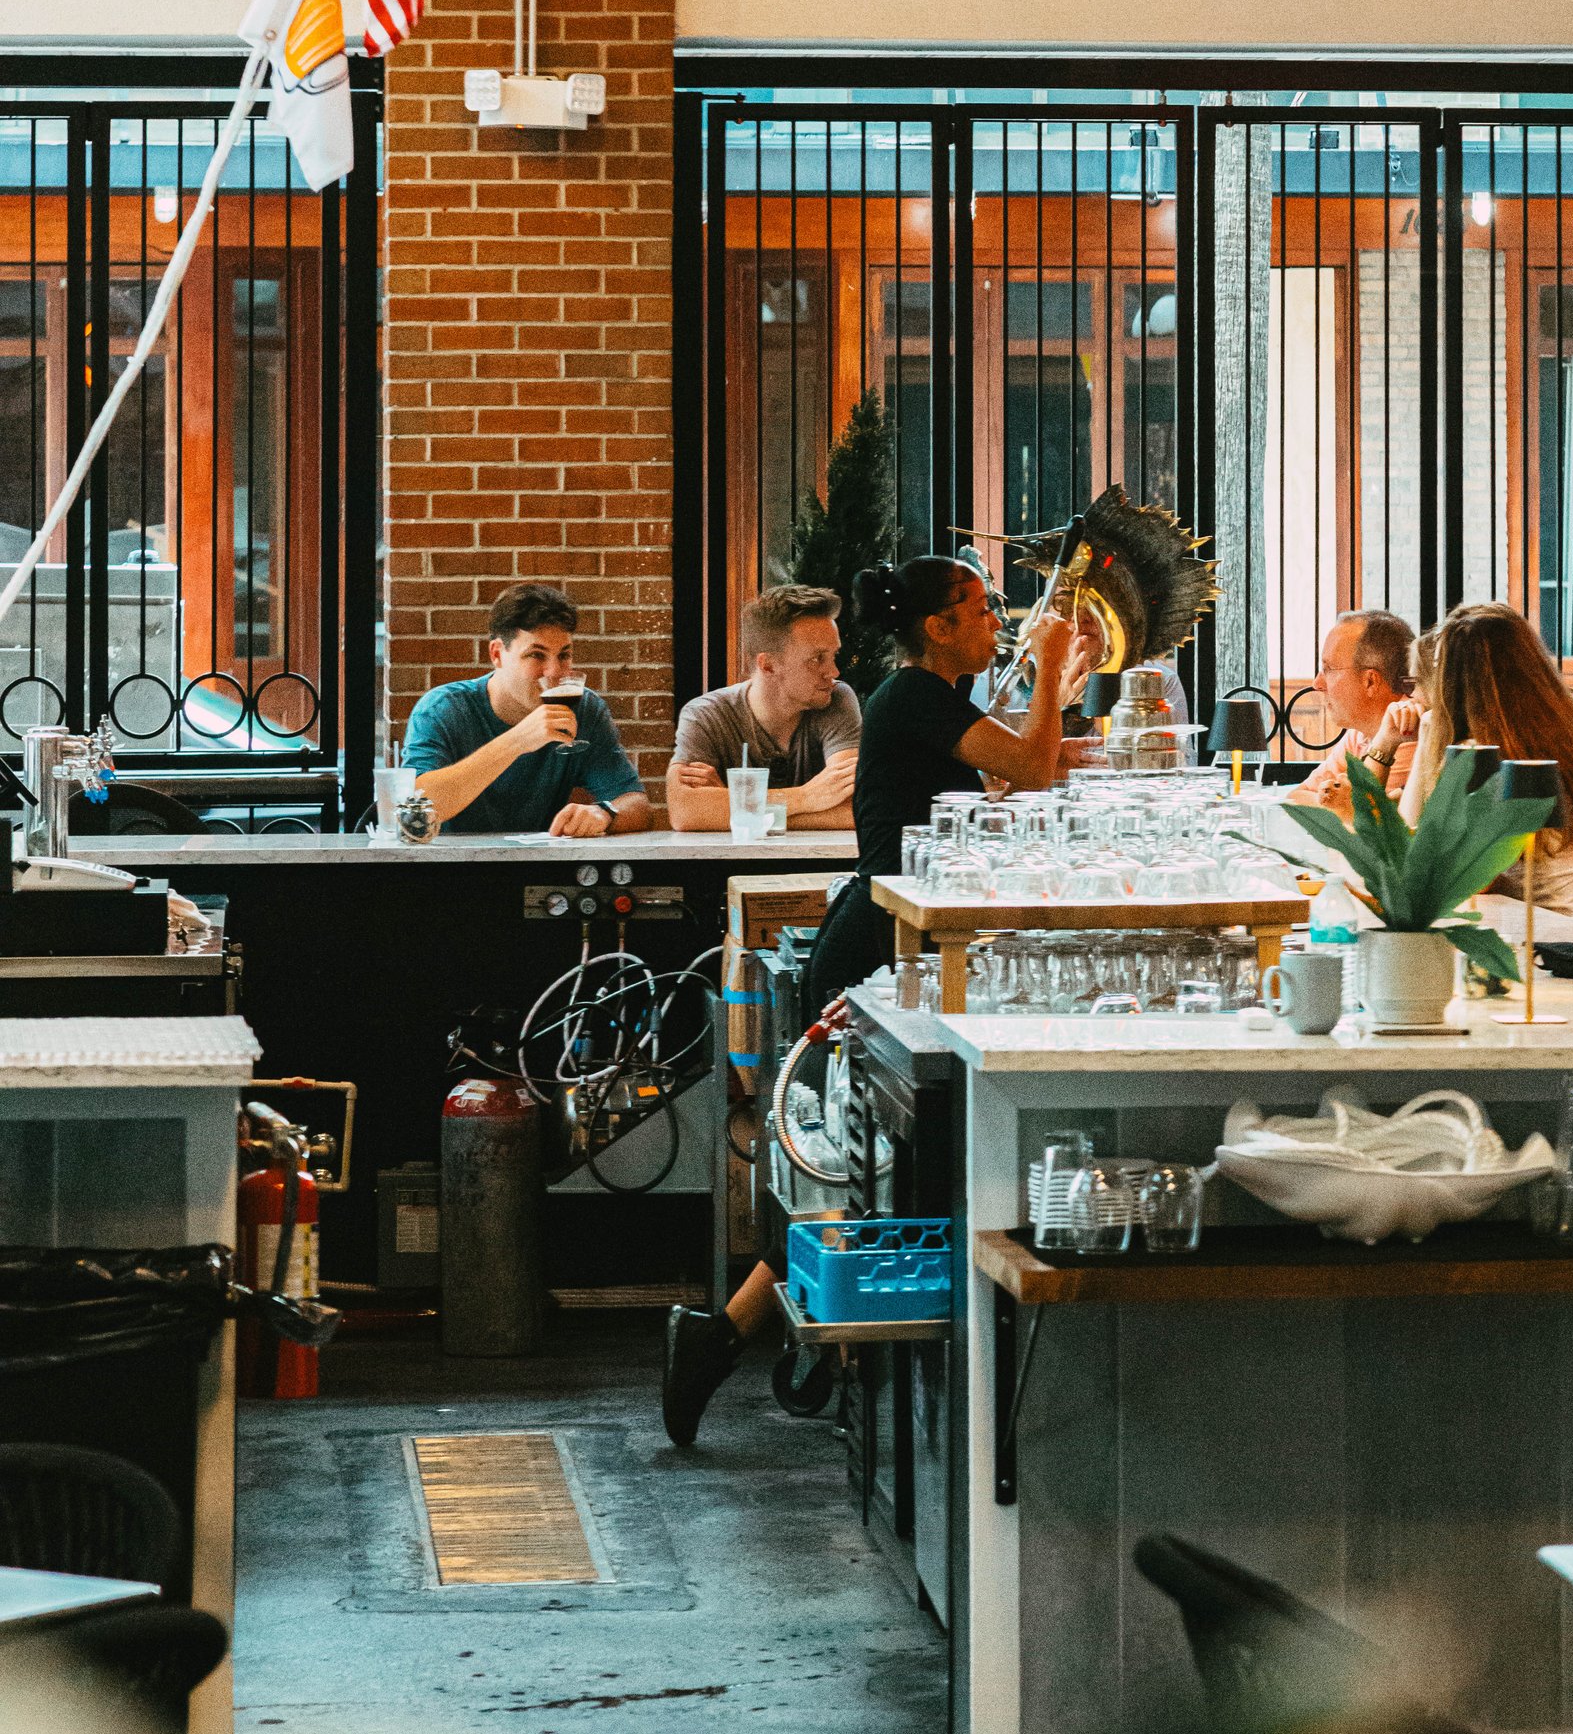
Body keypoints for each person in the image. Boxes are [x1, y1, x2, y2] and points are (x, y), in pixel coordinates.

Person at [660, 556, 1074, 1448]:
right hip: (880, 945)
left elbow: (1012, 772)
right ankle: (745, 1338)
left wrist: (1051, 686)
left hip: (894, 937)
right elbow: (1037, 767)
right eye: (977, 609)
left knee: (870, 1168)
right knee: (862, 1166)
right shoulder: (913, 696)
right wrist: (1050, 663)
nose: (995, 620)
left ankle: (740, 1340)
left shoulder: (924, 700)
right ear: (938, 628)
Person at [1400, 601, 1573, 926]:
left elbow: (1450, 878)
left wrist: (1429, 735)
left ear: (1453, 682)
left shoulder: (1485, 756)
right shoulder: (1565, 726)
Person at [401, 583, 649, 838]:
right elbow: (419, 808)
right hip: (452, 868)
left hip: (539, 867)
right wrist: (518, 741)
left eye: (564, 655)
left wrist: (604, 814)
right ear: (497, 654)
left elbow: (637, 804)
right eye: (536, 655)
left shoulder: (586, 709)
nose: (554, 672)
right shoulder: (443, 708)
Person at [667, 583, 860, 833]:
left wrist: (738, 807)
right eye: (816, 659)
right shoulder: (705, 714)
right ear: (768, 665)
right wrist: (805, 797)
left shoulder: (836, 698)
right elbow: (686, 813)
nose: (834, 672)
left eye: (833, 656)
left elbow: (855, 809)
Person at [1291, 608, 1421, 814]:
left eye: (1328, 669)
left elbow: (1367, 823)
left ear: (1370, 681)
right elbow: (1296, 796)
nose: (1317, 683)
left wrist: (1343, 806)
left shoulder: (1408, 731)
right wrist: (1340, 806)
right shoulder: (1361, 733)